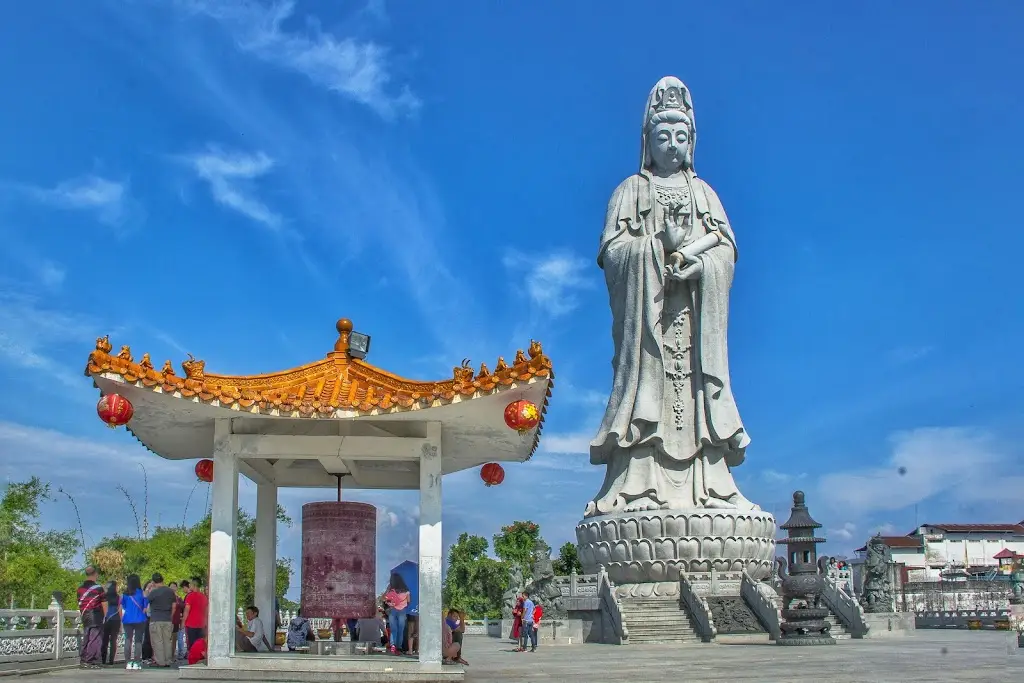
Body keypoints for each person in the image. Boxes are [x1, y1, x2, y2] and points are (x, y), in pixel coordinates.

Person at [584, 76, 757, 518]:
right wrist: (655, 248)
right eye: (663, 135)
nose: (673, 144)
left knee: (697, 396)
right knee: (650, 394)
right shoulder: (630, 191)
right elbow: (613, 253)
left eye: (682, 135)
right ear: (647, 139)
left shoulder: (705, 195)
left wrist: (704, 266)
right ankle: (639, 480)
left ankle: (712, 480)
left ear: (692, 141)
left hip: (695, 324)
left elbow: (726, 250)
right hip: (650, 329)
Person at [77, 565, 107, 668]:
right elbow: (104, 603)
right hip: (96, 615)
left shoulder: (80, 589)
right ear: (96, 574)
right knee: (95, 639)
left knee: (87, 637)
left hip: (85, 615)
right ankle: (90, 661)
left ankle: (83, 660)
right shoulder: (98, 588)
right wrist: (105, 616)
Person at [147, 573, 177, 667]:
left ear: (153, 582)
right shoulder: (170, 591)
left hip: (156, 619)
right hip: (167, 619)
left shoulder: (153, 592)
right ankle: (168, 660)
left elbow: (146, 600)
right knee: (167, 641)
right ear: (162, 580)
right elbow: (174, 606)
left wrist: (149, 589)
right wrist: (170, 616)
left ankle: (160, 662)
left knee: (157, 641)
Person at [121, 574, 148, 670]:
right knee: (138, 641)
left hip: (127, 619)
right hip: (140, 619)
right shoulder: (142, 593)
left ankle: (128, 662)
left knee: (128, 640)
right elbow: (145, 607)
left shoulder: (125, 594)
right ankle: (136, 662)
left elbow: (123, 606)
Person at [382, 572, 411, 655]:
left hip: (392, 610)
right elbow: (408, 601)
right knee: (401, 630)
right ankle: (399, 647)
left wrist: (390, 603)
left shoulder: (390, 589)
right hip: (402, 611)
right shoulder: (406, 590)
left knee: (393, 629)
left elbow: (384, 598)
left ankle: (393, 645)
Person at [182, 577, 208, 651]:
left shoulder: (190, 596)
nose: (189, 585)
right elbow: (206, 612)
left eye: (190, 583)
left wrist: (183, 622)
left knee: (191, 645)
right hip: (201, 625)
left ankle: (192, 660)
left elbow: (187, 610)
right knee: (200, 645)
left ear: (194, 585)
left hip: (191, 625)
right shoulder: (204, 597)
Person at [100, 581, 121, 666]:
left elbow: (103, 608)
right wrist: (121, 623)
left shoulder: (104, 596)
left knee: (104, 640)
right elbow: (120, 610)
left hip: (107, 619)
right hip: (116, 619)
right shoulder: (118, 597)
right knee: (113, 640)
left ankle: (103, 659)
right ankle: (111, 660)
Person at [169, 582, 185, 661]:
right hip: (168, 621)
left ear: (176, 588)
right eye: (171, 586)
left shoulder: (179, 598)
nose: (172, 588)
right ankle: (167, 656)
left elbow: (183, 606)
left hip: (176, 621)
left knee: (174, 640)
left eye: (174, 586)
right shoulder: (166, 597)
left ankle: (172, 656)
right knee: (168, 639)